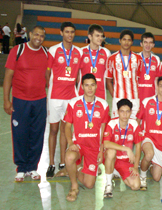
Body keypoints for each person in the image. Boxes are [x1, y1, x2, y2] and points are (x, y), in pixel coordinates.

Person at [3, 26, 48, 182]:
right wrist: (6, 100)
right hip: (20, 100)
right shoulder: (18, 50)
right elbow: (8, 76)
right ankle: (21, 168)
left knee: (37, 134)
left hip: (40, 100)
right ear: (30, 35)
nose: (38, 38)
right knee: (20, 134)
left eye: (42, 36)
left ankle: (32, 167)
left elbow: (51, 74)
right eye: (36, 34)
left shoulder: (46, 53)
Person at [64, 73, 110, 201]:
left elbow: (104, 130)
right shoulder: (73, 103)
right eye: (87, 85)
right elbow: (67, 126)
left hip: (94, 147)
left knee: (89, 185)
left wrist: (101, 150)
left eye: (92, 85)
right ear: (82, 87)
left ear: (96, 86)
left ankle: (76, 168)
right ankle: (74, 186)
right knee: (69, 157)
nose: (90, 88)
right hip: (78, 144)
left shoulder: (103, 104)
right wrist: (70, 142)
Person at [46, 22, 83, 178]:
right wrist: (52, 87)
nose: (70, 34)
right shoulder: (53, 50)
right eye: (67, 32)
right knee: (53, 130)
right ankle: (51, 164)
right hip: (55, 96)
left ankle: (62, 162)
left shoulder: (78, 52)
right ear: (61, 32)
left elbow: (80, 74)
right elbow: (47, 72)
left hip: (70, 97)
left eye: (72, 32)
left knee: (65, 130)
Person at [137, 76, 162, 190]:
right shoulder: (147, 101)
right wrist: (138, 141)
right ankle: (143, 177)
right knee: (149, 154)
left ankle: (148, 165)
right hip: (147, 137)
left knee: (157, 177)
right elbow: (137, 121)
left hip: (161, 142)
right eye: (161, 86)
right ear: (156, 86)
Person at [103, 99, 142, 198]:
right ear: (117, 112)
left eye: (127, 111)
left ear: (131, 112)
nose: (125, 114)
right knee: (111, 152)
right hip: (112, 158)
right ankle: (108, 185)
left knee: (136, 186)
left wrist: (136, 166)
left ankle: (117, 172)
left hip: (126, 161)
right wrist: (127, 149)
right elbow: (106, 143)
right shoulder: (112, 123)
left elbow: (138, 147)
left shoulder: (134, 124)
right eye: (122, 111)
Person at [106, 29, 143, 119]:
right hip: (118, 98)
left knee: (134, 125)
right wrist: (115, 95)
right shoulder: (112, 58)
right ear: (120, 41)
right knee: (117, 126)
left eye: (129, 40)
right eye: (124, 39)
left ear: (132, 42)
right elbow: (108, 81)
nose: (126, 42)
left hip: (134, 99)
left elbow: (139, 79)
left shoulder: (138, 59)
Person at [78, 24, 111, 100]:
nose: (100, 38)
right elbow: (76, 72)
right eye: (97, 36)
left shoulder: (106, 53)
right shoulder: (81, 52)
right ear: (90, 36)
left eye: (101, 36)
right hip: (82, 92)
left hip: (100, 93)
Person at [138, 32, 160, 102]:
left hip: (152, 97)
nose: (148, 45)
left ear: (153, 45)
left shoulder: (156, 59)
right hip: (137, 97)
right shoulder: (135, 58)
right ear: (141, 44)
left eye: (150, 43)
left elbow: (157, 79)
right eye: (145, 42)